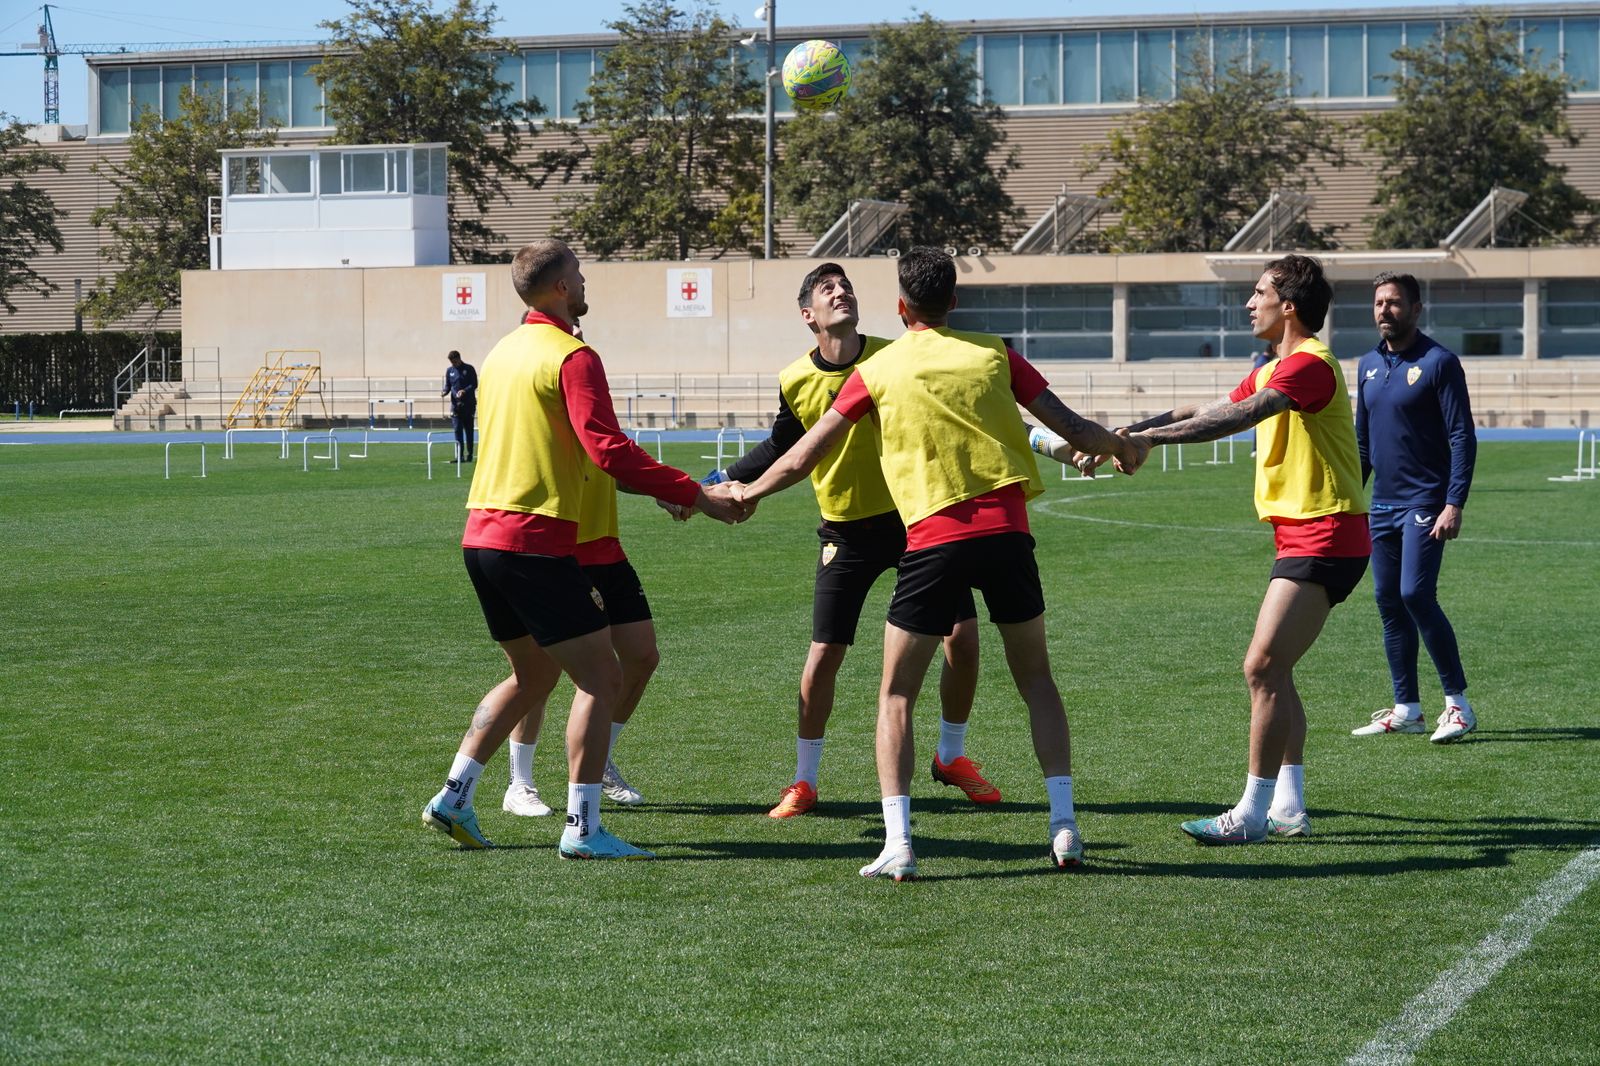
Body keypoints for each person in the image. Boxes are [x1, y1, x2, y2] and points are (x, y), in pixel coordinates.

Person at [736, 247, 1147, 880]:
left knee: (896, 692)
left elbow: (797, 458)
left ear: (901, 307)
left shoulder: (877, 369)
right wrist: (1120, 447)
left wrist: (743, 494)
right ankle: (1064, 827)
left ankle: (899, 843)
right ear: (955, 302)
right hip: (1008, 534)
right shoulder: (993, 352)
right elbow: (1067, 424)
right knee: (1036, 679)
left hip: (930, 540)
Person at [420, 238, 748, 859]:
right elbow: (607, 449)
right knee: (602, 675)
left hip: (482, 539)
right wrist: (697, 496)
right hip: (535, 541)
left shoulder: (504, 353)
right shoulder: (573, 355)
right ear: (562, 288)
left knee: (535, 673)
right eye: (579, 271)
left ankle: (455, 795)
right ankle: (583, 829)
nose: (585, 279)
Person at [708, 263, 997, 819]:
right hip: (845, 530)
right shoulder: (795, 378)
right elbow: (782, 447)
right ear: (808, 315)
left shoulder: (896, 356)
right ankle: (805, 781)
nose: (841, 292)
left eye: (847, 287)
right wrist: (716, 484)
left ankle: (951, 756)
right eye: (827, 289)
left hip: (916, 523)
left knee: (961, 637)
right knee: (825, 654)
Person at [1101, 254, 1368, 845]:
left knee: (1262, 667)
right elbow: (1207, 409)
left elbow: (1243, 417)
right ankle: (1290, 807)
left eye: (1259, 293)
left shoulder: (1308, 366)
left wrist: (1146, 440)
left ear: (1289, 306)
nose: (1249, 304)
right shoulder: (1278, 365)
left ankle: (1251, 814)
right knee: (1278, 668)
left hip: (1325, 533)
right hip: (1305, 533)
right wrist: (1123, 432)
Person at [501, 435, 658, 817]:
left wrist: (668, 491)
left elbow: (617, 469)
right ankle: (519, 783)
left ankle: (599, 758)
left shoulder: (596, 411)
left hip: (608, 551)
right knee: (540, 669)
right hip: (557, 554)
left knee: (641, 656)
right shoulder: (546, 412)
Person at [1351, 272, 1478, 743]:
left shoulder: (1439, 362)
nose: (1386, 310)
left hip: (1425, 501)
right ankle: (1407, 707)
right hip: (1381, 504)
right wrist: (1346, 500)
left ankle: (1458, 705)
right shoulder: (1365, 365)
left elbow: (1462, 435)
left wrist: (1454, 501)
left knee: (1415, 595)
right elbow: (1361, 443)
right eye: (1380, 302)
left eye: (1396, 302)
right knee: (1388, 601)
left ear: (1416, 308)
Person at [441, 350, 478, 462]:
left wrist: (464, 391)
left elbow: (474, 384)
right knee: (457, 430)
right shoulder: (449, 371)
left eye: (455, 361)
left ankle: (470, 454)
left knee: (469, 431)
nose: (453, 364)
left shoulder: (469, 369)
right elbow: (448, 386)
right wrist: (444, 391)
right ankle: (459, 456)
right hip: (455, 406)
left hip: (468, 405)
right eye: (452, 362)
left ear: (459, 358)